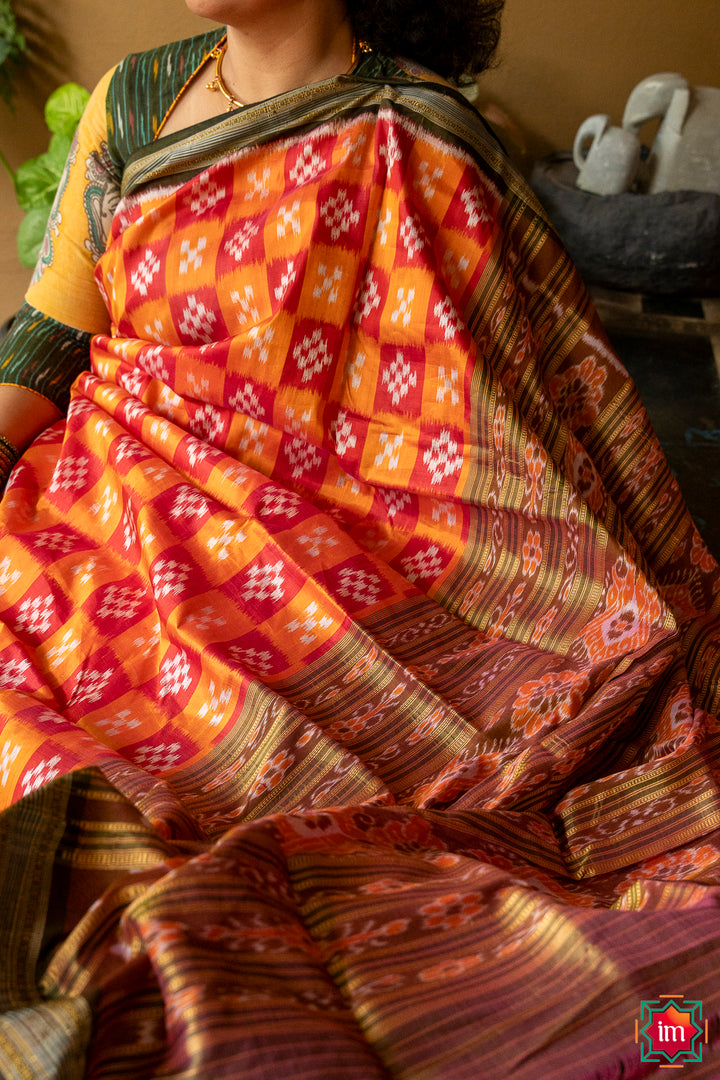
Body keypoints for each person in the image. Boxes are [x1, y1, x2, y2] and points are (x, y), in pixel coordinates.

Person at [1, 1, 719, 1077]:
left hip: (359, 570)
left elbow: (503, 420)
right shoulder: (135, 103)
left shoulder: (421, 133)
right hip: (101, 515)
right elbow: (56, 334)